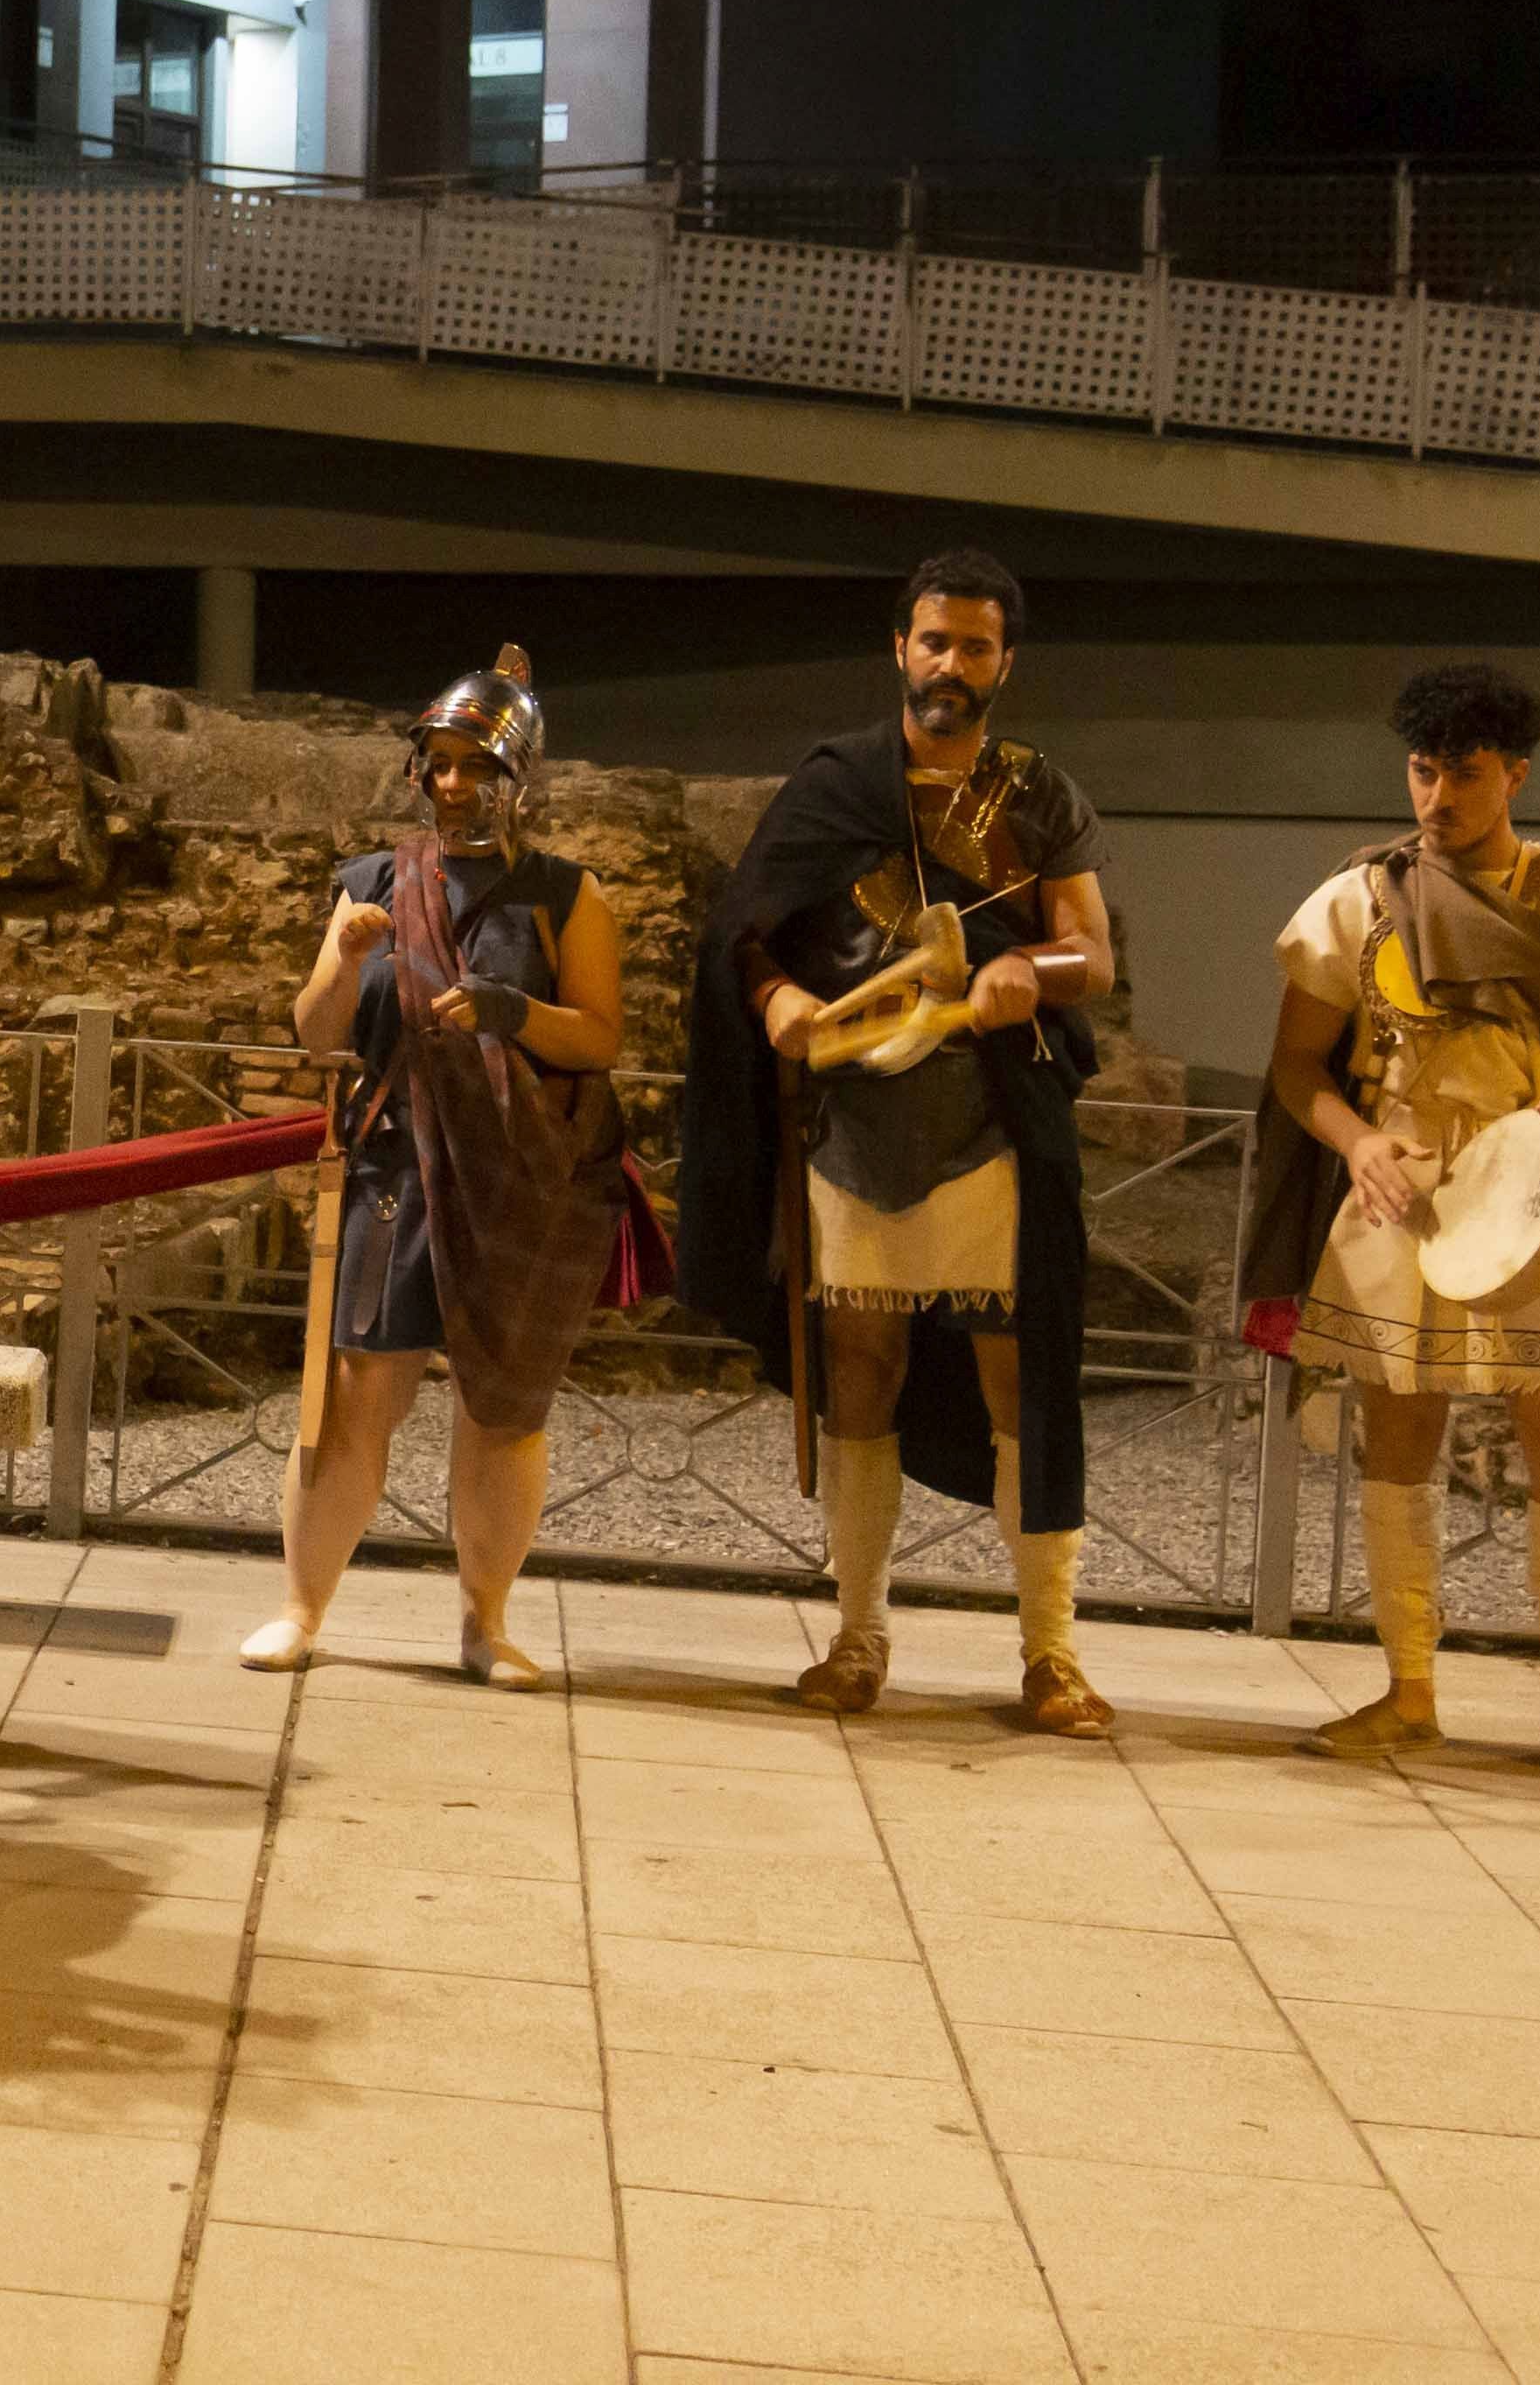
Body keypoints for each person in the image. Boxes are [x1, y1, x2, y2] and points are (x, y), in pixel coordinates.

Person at [680, 549, 1123, 1736]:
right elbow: (749, 927)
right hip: (856, 1130)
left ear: (1003, 664)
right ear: (900, 649)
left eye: (974, 647)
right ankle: (858, 1638)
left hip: (991, 1127)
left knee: (1017, 1382)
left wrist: (1033, 968)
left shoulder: (1038, 795)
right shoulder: (837, 786)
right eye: (934, 642)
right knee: (861, 1374)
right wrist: (775, 1001)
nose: (950, 666)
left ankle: (1050, 1654)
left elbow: (1097, 953)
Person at [1250, 662, 1540, 1788]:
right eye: (1424, 769)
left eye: (1466, 773)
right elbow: (1299, 1070)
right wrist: (1356, 1143)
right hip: (1398, 1196)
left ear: (1516, 775)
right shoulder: (1355, 902)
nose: (1438, 796)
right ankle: (1407, 1693)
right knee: (1398, 1442)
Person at [250, 649, 658, 1687]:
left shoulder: (568, 897)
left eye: (474, 765)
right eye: (437, 763)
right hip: (398, 1170)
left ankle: (486, 1625)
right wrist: (343, 960)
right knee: (356, 1397)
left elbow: (599, 1038)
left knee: (502, 1409)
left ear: (516, 780)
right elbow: (316, 1033)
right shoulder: (374, 883)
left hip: (516, 1181)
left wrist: (513, 1011)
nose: (452, 785)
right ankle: (302, 1610)